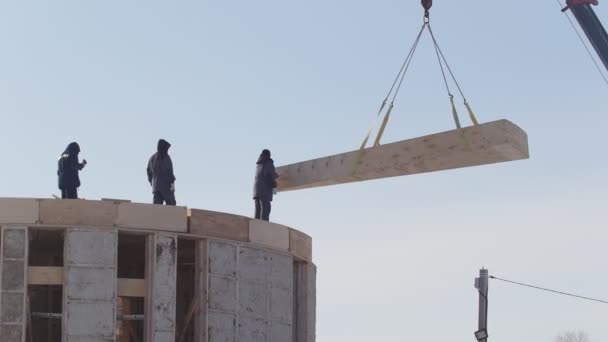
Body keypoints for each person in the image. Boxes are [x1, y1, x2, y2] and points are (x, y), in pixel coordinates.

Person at [147, 139, 176, 205]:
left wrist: (152, 183)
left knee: (157, 210)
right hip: (167, 188)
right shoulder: (165, 157)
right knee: (172, 209)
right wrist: (172, 187)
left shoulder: (152, 158)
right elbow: (170, 174)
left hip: (156, 188)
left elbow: (148, 172)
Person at [253, 149, 278, 221]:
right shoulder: (268, 162)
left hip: (257, 191)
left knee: (258, 210)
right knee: (265, 208)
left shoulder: (259, 164)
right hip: (265, 191)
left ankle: (256, 226)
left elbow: (263, 174)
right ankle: (264, 227)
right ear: (269, 155)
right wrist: (274, 185)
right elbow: (269, 176)